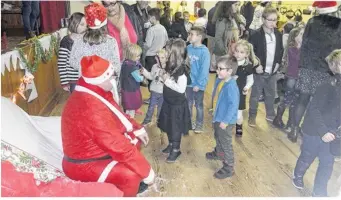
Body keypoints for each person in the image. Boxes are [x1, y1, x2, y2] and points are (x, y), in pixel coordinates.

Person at [61, 55, 155, 197]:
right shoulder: (91, 107)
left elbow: (116, 113)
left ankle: (121, 184)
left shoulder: (93, 89)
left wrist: (135, 127)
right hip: (83, 164)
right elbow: (116, 144)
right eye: (111, 75)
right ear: (100, 79)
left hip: (93, 151)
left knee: (135, 141)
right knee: (130, 175)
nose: (114, 78)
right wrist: (147, 172)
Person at [288, 1, 341, 143]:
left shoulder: (311, 22)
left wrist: (302, 65)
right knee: (319, 103)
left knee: (302, 100)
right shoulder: (339, 24)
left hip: (308, 67)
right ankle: (313, 133)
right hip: (326, 69)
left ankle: (294, 130)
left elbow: (304, 44)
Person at [292, 49, 341, 197]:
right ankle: (298, 174)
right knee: (308, 156)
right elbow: (314, 109)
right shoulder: (326, 85)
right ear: (335, 66)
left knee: (327, 163)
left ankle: (319, 192)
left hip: (332, 133)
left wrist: (334, 132)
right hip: (314, 130)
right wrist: (323, 131)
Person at [69, 3, 121, 103]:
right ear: (105, 23)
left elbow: (72, 61)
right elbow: (116, 66)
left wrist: (85, 68)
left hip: (86, 86)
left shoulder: (79, 41)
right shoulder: (111, 41)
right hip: (105, 87)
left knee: (88, 112)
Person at [248, 7, 283, 127]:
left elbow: (280, 50)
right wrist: (256, 65)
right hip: (259, 71)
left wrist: (278, 63)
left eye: (275, 20)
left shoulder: (278, 34)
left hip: (272, 70)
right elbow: (251, 53)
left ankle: (270, 114)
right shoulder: (256, 34)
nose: (273, 23)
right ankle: (252, 115)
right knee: (255, 95)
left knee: (271, 94)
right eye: (270, 20)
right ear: (263, 19)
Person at [157, 39, 192, 163]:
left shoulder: (182, 70)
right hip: (168, 102)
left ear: (174, 54)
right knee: (168, 125)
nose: (165, 54)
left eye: (167, 51)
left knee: (175, 128)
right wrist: (162, 76)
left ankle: (176, 149)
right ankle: (171, 144)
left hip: (177, 105)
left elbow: (181, 89)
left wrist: (166, 80)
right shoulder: (171, 65)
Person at [206, 56, 239, 179]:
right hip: (218, 116)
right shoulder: (220, 80)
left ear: (230, 71)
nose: (217, 71)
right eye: (217, 68)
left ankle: (228, 167)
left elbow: (233, 106)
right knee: (218, 136)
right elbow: (217, 97)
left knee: (225, 142)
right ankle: (219, 153)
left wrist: (225, 121)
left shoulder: (231, 86)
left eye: (220, 69)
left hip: (226, 120)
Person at [273, 27, 304, 132]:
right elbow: (297, 60)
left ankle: (290, 123)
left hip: (299, 78)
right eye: (300, 35)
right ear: (294, 36)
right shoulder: (291, 48)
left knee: (295, 101)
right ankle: (278, 119)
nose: (302, 37)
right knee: (286, 100)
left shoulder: (303, 49)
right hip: (291, 77)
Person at [186, 26, 210, 133]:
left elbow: (204, 70)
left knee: (199, 105)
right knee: (188, 103)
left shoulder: (204, 52)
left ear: (199, 37)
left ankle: (199, 125)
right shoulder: (188, 48)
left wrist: (199, 84)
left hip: (198, 84)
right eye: (189, 34)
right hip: (188, 83)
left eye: (191, 34)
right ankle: (189, 123)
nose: (189, 36)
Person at [233, 40, 258, 136]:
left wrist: (247, 87)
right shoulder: (230, 63)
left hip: (240, 92)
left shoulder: (248, 66)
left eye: (242, 52)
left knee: (238, 112)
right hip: (229, 91)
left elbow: (250, 80)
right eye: (237, 51)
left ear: (247, 54)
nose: (238, 54)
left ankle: (239, 126)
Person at [58, 12, 87, 93]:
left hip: (86, 78)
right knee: (75, 102)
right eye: (82, 24)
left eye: (86, 24)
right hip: (73, 81)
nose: (85, 27)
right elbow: (62, 63)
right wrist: (64, 82)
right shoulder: (66, 41)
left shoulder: (86, 39)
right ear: (74, 24)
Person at [141, 49, 167, 126]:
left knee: (160, 108)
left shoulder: (168, 68)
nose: (160, 60)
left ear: (166, 58)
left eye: (163, 58)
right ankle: (147, 120)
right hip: (154, 91)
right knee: (151, 107)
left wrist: (163, 77)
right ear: (156, 58)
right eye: (159, 57)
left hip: (163, 92)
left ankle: (160, 121)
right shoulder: (154, 67)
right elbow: (151, 76)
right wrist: (144, 72)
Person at [120, 44, 144, 118]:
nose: (139, 57)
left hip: (126, 87)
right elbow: (139, 79)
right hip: (131, 90)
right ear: (132, 56)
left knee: (129, 104)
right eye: (137, 56)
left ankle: (130, 113)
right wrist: (141, 74)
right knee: (131, 106)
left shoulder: (125, 62)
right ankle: (130, 120)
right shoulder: (132, 67)